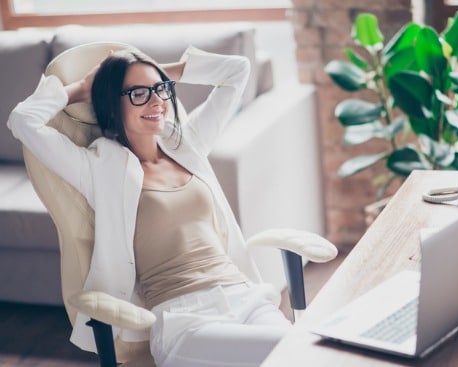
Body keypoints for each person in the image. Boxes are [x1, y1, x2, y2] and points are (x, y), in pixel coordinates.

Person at [7, 45, 291, 367]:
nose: (157, 101)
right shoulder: (98, 168)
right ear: (112, 102)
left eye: (161, 91)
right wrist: (83, 89)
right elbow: (24, 120)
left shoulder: (188, 144)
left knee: (306, 351)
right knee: (286, 354)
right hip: (186, 321)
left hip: (246, 299)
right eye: (139, 94)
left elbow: (237, 70)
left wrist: (156, 73)